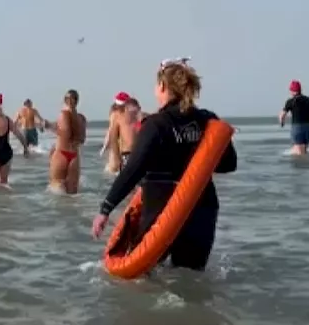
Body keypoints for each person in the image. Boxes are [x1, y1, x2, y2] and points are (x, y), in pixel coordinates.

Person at [91, 60, 238, 270]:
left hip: (161, 211)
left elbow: (133, 170)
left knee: (144, 280)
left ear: (162, 87)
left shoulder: (156, 124)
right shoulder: (208, 120)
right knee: (190, 279)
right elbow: (229, 164)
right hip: (202, 210)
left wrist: (105, 209)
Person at [50, 89, 87, 193]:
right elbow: (82, 139)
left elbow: (65, 134)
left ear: (65, 101)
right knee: (73, 194)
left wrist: (49, 127)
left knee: (57, 190)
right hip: (74, 156)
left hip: (61, 153)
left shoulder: (63, 114)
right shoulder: (82, 118)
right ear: (77, 101)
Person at [279, 80, 309, 155]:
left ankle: (301, 164)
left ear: (292, 90)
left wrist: (282, 123)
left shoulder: (290, 101)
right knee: (304, 149)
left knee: (299, 151)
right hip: (308, 127)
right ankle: (306, 164)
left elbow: (282, 115)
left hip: (297, 127)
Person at [103, 95, 142, 173]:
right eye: (131, 107)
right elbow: (113, 138)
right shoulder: (119, 118)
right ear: (126, 108)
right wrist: (116, 157)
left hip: (141, 155)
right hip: (126, 154)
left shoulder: (144, 118)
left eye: (135, 107)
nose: (133, 110)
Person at [102, 95, 128, 172]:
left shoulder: (114, 113)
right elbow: (110, 131)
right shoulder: (119, 115)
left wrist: (104, 147)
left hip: (118, 146)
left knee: (113, 168)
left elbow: (110, 131)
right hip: (121, 147)